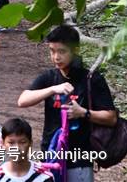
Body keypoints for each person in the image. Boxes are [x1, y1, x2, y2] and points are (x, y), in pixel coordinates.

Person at [17, 25, 117, 182]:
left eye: (62, 51)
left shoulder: (91, 79)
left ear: (75, 50)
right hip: (51, 153)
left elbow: (111, 118)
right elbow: (22, 100)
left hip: (80, 157)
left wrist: (83, 113)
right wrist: (52, 89)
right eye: (52, 51)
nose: (56, 57)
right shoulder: (50, 77)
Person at [0, 118, 54, 182]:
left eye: (22, 142)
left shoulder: (44, 177)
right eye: (11, 143)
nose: (17, 148)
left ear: (30, 143)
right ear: (3, 144)